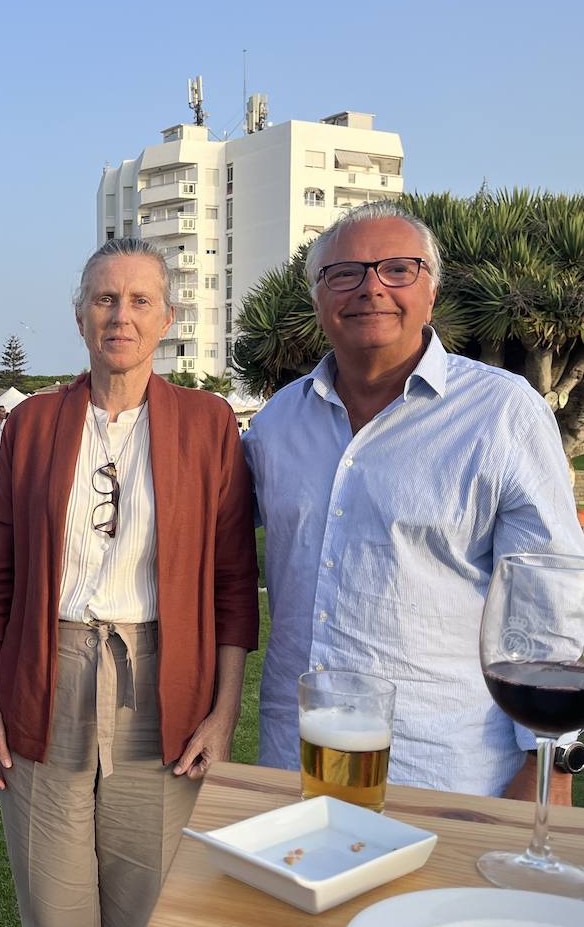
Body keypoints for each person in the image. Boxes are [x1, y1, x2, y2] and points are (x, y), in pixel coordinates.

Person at [0, 238, 259, 927]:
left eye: (138, 301)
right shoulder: (33, 423)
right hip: (45, 676)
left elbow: (233, 582)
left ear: (168, 318)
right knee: (58, 926)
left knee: (149, 923)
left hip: (163, 689)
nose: (120, 316)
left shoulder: (208, 424)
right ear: (79, 316)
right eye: (105, 298)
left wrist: (223, 715)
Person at [245, 201, 584, 804]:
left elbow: (550, 595)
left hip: (446, 771)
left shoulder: (502, 413)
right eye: (343, 273)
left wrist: (551, 764)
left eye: (398, 269)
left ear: (431, 292)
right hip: (296, 764)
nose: (371, 288)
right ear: (319, 299)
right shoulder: (276, 424)